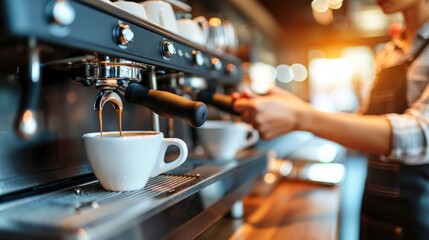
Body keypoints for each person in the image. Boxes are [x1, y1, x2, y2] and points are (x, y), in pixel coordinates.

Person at [233, 0, 429, 239]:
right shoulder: (389, 52)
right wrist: (297, 107)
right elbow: (364, 126)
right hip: (374, 208)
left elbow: (421, 134)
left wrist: (300, 116)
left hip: (420, 216)